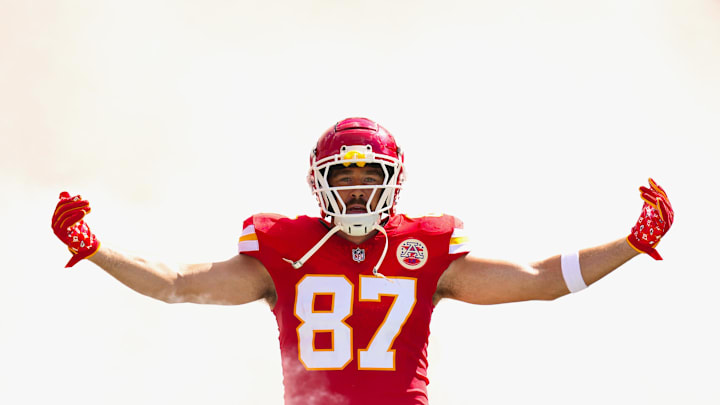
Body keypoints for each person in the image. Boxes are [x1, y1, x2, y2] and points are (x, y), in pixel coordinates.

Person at [51, 117, 674, 405]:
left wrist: (631, 242)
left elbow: (539, 281)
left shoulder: (424, 249)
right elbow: (181, 285)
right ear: (319, 184)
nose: (355, 192)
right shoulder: (284, 252)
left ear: (392, 181)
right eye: (342, 180)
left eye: (367, 177)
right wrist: (96, 247)